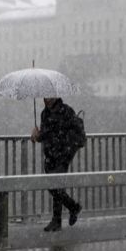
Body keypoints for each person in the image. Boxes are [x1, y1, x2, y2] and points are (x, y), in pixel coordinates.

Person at [31, 97, 82, 232]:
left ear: (56, 96)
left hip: (63, 156)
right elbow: (45, 135)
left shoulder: (66, 111)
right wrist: (36, 135)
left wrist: (67, 147)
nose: (46, 99)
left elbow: (76, 133)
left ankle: (62, 215)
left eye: (49, 96)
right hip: (49, 155)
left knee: (54, 185)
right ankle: (65, 213)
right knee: (55, 186)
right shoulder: (44, 113)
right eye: (45, 97)